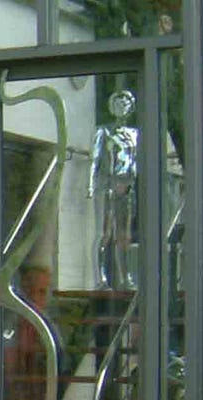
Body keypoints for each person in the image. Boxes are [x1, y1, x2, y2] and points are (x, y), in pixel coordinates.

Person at [88, 90, 139, 291]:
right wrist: (91, 185)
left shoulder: (135, 134)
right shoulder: (104, 131)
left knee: (124, 235)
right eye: (118, 104)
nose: (122, 107)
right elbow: (94, 160)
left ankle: (125, 277)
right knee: (105, 233)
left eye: (125, 104)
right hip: (108, 186)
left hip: (127, 187)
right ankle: (100, 278)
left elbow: (135, 161)